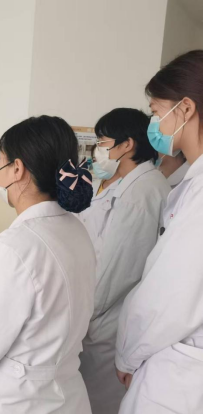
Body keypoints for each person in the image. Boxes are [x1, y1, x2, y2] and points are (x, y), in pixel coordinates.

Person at [0, 116, 96, 414]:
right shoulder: (76, 230)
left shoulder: (14, 248)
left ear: (17, 168)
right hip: (67, 396)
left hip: (16, 401)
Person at [116, 50, 203, 414]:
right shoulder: (190, 185)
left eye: (156, 111)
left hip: (180, 371)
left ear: (186, 108)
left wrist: (127, 354)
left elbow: (169, 294)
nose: (155, 123)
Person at [78, 109, 171, 414]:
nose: (98, 150)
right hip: (101, 314)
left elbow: (116, 270)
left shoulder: (141, 191)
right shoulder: (125, 184)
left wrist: (82, 314)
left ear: (127, 144)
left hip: (107, 320)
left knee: (98, 402)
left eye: (102, 142)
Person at [79, 145, 121, 257]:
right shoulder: (92, 185)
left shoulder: (121, 191)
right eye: (94, 160)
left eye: (100, 159)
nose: (97, 163)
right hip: (78, 248)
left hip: (99, 256)